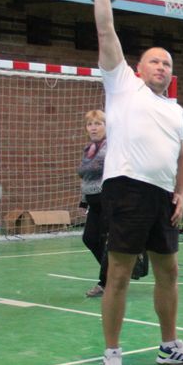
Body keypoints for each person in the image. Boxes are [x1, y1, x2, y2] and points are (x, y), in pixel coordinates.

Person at [89, 0, 183, 365]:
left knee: (169, 270)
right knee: (119, 272)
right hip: (127, 189)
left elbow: (182, 157)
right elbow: (106, 29)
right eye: (155, 61)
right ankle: (112, 353)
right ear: (139, 68)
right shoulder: (122, 85)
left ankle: (169, 346)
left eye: (168, 64)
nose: (162, 67)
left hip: (162, 197)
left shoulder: (177, 111)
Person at [78, 109, 109, 298]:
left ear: (106, 126)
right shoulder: (88, 149)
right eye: (90, 124)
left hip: (108, 200)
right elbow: (86, 177)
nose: (93, 128)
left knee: (107, 243)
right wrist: (83, 201)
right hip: (93, 202)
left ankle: (105, 282)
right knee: (89, 238)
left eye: (98, 124)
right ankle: (117, 273)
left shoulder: (112, 147)